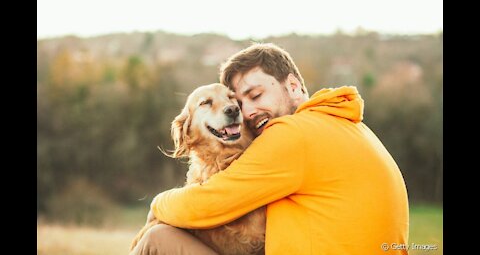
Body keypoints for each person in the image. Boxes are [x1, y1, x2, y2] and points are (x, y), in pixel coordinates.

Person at [132, 43, 409, 255]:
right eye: (241, 103)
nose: (247, 112)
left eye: (256, 95)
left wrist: (157, 204)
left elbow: (207, 204)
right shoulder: (346, 124)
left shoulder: (293, 134)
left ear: (293, 86)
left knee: (156, 239)